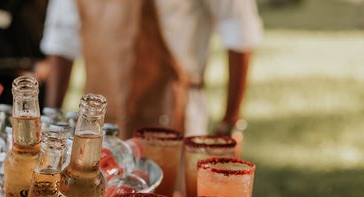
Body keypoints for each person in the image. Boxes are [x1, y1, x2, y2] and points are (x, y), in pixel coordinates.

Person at [41, 0, 263, 137]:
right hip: (97, 127)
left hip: (176, 119)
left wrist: (230, 124)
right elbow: (61, 40)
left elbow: (239, 30)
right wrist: (48, 125)